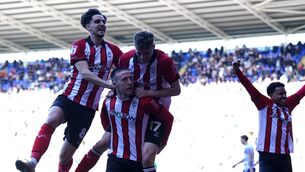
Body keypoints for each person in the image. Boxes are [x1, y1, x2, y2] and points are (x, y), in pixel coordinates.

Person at [15, 8, 122, 172]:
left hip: (87, 109)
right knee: (51, 119)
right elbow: (85, 73)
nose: (102, 24)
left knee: (65, 156)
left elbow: (124, 69)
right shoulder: (79, 46)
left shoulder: (113, 51)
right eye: (97, 21)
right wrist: (111, 86)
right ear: (88, 26)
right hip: (69, 98)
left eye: (103, 22)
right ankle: (32, 163)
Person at [76, 31, 180, 172]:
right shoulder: (126, 58)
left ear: (154, 47)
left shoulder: (164, 61)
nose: (142, 57)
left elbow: (176, 90)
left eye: (147, 53)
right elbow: (118, 80)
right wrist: (114, 90)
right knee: (102, 143)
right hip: (131, 107)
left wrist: (149, 93)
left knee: (147, 157)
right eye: (139, 53)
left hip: (155, 112)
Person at [232, 60, 305, 172]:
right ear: (271, 95)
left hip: (284, 155)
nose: (284, 96)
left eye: (285, 93)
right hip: (266, 156)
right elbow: (249, 87)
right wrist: (237, 71)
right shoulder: (263, 103)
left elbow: (302, 91)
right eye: (280, 94)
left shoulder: (289, 104)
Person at [102, 67, 174, 172]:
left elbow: (168, 117)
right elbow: (105, 118)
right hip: (115, 157)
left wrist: (163, 142)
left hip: (138, 161)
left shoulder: (144, 101)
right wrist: (114, 133)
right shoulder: (108, 101)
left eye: (131, 78)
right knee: (99, 145)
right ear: (114, 83)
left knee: (147, 159)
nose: (130, 82)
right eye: (124, 79)